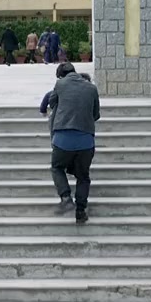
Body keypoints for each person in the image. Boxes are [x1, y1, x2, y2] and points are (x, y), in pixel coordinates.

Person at [38, 63, 101, 224]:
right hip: (85, 140)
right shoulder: (92, 88)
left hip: (63, 139)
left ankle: (66, 197)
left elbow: (52, 103)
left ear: (60, 75)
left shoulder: (60, 84)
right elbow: (96, 114)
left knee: (57, 167)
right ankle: (80, 211)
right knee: (83, 176)